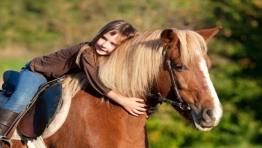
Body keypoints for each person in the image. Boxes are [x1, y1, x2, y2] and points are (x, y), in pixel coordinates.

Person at [0, 20, 147, 141]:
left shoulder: (107, 58)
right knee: (22, 98)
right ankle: (1, 134)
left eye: (113, 44)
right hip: (38, 72)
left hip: (55, 80)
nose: (104, 44)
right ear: (99, 34)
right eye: (104, 38)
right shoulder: (86, 51)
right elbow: (96, 80)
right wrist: (123, 101)